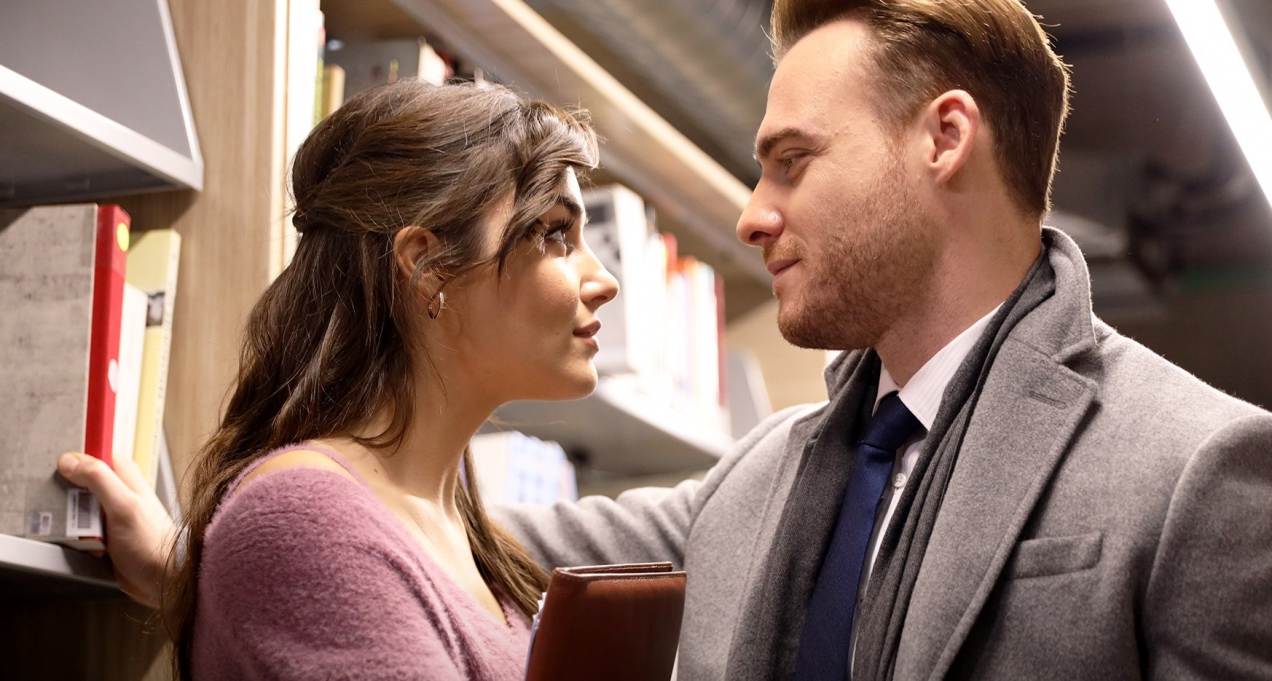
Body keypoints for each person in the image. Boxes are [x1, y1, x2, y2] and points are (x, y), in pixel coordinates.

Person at [61, 0, 1272, 678]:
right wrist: (209, 555)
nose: (753, 214)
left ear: (942, 139)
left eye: (792, 162)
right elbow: (409, 542)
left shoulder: (1194, 469)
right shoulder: (766, 478)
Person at [58, 79, 619, 679]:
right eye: (556, 234)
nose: (605, 281)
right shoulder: (304, 518)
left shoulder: (469, 538)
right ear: (429, 266)